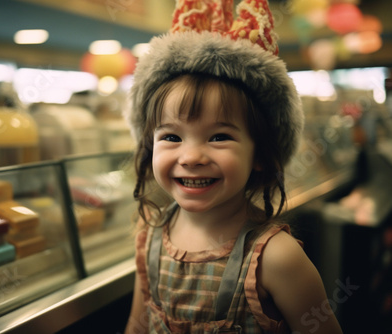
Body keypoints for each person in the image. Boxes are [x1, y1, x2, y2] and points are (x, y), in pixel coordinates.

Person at [124, 0, 343, 333]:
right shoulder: (148, 236)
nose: (192, 156)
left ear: (259, 155)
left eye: (218, 137)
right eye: (171, 136)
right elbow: (137, 325)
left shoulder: (276, 259)